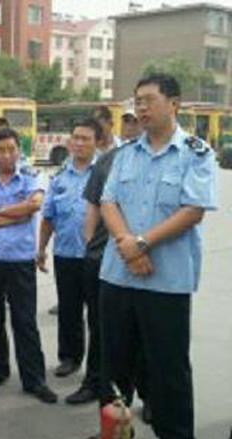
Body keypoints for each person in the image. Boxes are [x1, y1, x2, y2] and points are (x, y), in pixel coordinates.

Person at [99, 73, 217, 439]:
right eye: (137, 101)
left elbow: (193, 210)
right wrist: (128, 246)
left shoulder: (195, 153)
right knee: (114, 359)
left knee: (168, 364)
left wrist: (142, 243)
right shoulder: (126, 153)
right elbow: (108, 201)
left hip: (166, 280)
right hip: (118, 273)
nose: (141, 108)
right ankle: (114, 428)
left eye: (149, 100)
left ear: (174, 104)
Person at [67, 108, 146, 407]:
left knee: (144, 333)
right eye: (127, 121)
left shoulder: (164, 162)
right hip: (103, 259)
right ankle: (96, 383)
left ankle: (149, 395)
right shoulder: (109, 161)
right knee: (101, 329)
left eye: (135, 121)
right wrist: (92, 246)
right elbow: (92, 208)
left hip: (143, 258)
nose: (131, 126)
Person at [0, 128, 57, 404]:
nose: (7, 155)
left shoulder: (32, 176)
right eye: (1, 150)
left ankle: (34, 379)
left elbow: (34, 205)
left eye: (11, 149)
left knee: (25, 320)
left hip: (20, 260)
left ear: (19, 151)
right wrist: (15, 215)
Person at [38, 118, 102, 378]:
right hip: (65, 254)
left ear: (97, 142)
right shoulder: (60, 176)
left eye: (85, 138)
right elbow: (48, 216)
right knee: (68, 310)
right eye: (76, 137)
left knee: (97, 315)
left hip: (95, 256)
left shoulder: (104, 173)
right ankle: (69, 357)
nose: (79, 143)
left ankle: (98, 367)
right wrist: (41, 249)